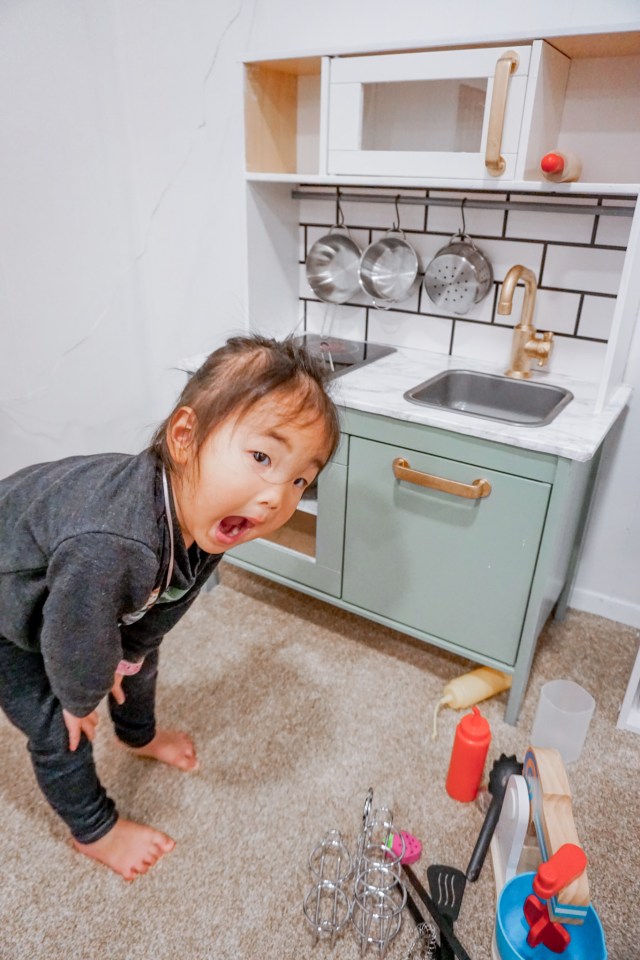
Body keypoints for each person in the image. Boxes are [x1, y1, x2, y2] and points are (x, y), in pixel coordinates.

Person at [0, 334, 340, 881]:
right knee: (59, 724)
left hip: (76, 589)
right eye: (262, 457)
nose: (278, 496)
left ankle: (137, 734)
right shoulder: (113, 544)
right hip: (10, 602)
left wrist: (128, 652)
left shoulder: (209, 513)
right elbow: (73, 634)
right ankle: (94, 830)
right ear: (185, 438)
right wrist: (80, 694)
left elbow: (169, 600)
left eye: (301, 478)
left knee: (137, 659)